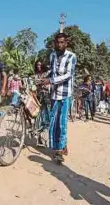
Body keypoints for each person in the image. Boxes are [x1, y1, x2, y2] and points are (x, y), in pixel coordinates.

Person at [41, 33, 77, 162]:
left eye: (62, 42)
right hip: (54, 94)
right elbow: (52, 71)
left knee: (62, 123)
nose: (59, 45)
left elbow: (68, 75)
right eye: (57, 42)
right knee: (53, 122)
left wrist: (51, 80)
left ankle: (60, 151)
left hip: (65, 94)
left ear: (66, 43)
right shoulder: (52, 55)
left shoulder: (71, 56)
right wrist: (43, 77)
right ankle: (60, 146)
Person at [33, 60, 51, 146]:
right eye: (37, 65)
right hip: (38, 96)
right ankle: (39, 138)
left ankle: (46, 138)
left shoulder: (46, 73)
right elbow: (35, 83)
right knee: (38, 117)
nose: (38, 66)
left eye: (40, 65)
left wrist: (39, 82)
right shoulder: (36, 75)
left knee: (46, 116)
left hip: (46, 96)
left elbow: (47, 82)